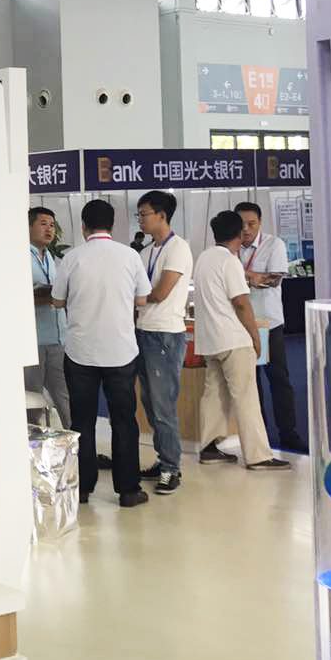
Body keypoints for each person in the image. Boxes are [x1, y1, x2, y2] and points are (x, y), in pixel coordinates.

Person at [51, 199, 151, 508]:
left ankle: (82, 488)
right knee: (124, 421)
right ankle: (128, 490)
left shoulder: (72, 257)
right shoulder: (130, 256)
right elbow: (143, 299)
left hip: (80, 352)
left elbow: (57, 301)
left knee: (82, 421)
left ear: (83, 227)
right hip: (121, 351)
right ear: (112, 225)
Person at [193, 211, 290, 472]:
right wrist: (255, 337)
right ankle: (258, 456)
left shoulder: (204, 258)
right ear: (238, 234)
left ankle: (209, 447)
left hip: (210, 339)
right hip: (233, 339)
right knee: (246, 396)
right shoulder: (230, 261)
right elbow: (241, 303)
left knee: (213, 394)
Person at [134, 191, 193, 496]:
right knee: (150, 404)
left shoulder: (178, 248)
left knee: (163, 405)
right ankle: (163, 459)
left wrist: (132, 298)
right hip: (143, 330)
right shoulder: (146, 252)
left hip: (165, 334)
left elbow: (160, 292)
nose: (140, 220)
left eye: (144, 214)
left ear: (161, 215)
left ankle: (172, 468)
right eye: (139, 215)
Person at [236, 201, 307, 453]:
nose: (246, 229)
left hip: (268, 323)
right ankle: (259, 434)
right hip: (240, 323)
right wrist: (253, 277)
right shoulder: (230, 247)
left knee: (278, 379)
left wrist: (244, 275)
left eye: (251, 223)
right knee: (249, 382)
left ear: (260, 223)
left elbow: (274, 280)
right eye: (241, 224)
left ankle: (288, 433)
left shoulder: (273, 244)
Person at [26, 207, 69, 427]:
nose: (49, 229)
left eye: (52, 225)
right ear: (28, 227)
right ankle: (31, 444)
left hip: (58, 339)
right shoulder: (20, 256)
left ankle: (77, 443)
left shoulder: (50, 257)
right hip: (34, 342)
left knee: (65, 397)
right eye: (43, 224)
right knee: (32, 400)